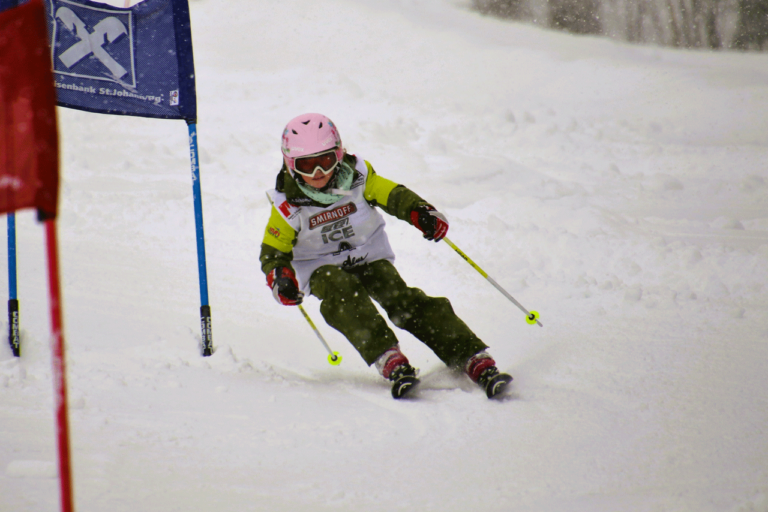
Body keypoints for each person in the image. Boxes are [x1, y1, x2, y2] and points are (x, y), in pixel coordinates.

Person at [260, 113, 512, 399]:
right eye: (306, 164)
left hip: (367, 255)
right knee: (341, 292)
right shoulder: (286, 207)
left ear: (339, 154)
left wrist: (419, 212)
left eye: (326, 160)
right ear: (290, 165)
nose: (318, 172)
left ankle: (470, 355)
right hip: (319, 266)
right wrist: (280, 278)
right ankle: (388, 357)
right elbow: (273, 253)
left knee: (400, 297)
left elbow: (393, 195)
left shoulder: (358, 178)